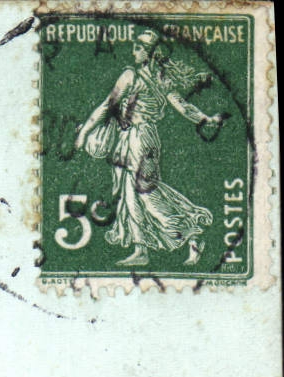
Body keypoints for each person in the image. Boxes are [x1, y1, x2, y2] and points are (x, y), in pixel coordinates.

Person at [73, 28, 225, 267]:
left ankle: (191, 232)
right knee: (131, 194)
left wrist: (83, 133)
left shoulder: (131, 76)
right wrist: (206, 119)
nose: (133, 51)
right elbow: (184, 107)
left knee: (145, 193)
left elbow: (107, 106)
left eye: (139, 48)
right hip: (138, 139)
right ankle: (142, 248)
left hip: (139, 139)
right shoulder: (161, 79)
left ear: (150, 53)